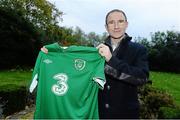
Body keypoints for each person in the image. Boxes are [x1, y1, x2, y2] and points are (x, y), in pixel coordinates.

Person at [41, 9, 149, 119]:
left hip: (126, 115)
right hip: (98, 114)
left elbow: (141, 78)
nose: (116, 26)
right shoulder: (96, 50)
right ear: (106, 27)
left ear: (126, 24)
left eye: (120, 21)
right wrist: (53, 54)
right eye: (111, 22)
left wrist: (111, 60)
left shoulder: (139, 49)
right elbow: (74, 61)